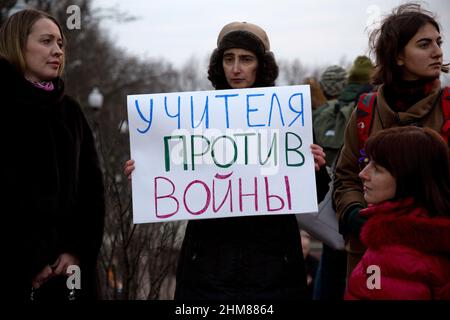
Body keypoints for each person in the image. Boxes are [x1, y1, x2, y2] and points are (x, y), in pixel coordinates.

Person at [124, 21, 329, 300]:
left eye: (246, 59)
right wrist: (144, 169)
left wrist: (315, 168)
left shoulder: (289, 119)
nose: (236, 68)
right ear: (218, 64)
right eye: (228, 58)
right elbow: (170, 174)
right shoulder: (193, 119)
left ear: (262, 65)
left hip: (273, 267)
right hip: (208, 265)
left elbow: (313, 194)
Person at [333, 3, 449, 280]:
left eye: (438, 42)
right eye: (424, 44)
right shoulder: (365, 110)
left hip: (435, 260)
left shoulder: (447, 108)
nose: (437, 51)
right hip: (371, 257)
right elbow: (346, 176)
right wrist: (355, 214)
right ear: (397, 55)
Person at [0, 9, 105, 301]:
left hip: (69, 278)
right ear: (18, 46)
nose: (57, 50)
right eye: (46, 41)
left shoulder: (70, 112)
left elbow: (92, 191)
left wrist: (76, 250)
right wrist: (30, 259)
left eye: (60, 43)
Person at [345, 126, 450, 300]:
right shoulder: (431, 234)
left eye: (377, 168)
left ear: (408, 178)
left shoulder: (392, 254)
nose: (363, 174)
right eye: (367, 163)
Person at [312, 56, 375, 301]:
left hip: (334, 202)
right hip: (359, 202)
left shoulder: (324, 111)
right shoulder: (366, 106)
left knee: (330, 267)